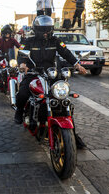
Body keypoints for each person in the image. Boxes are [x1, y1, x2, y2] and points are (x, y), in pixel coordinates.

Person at [14, 15, 87, 148]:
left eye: (48, 30)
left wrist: (77, 64)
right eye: (43, 30)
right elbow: (21, 54)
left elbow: (66, 52)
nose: (46, 33)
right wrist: (23, 64)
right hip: (33, 72)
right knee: (23, 93)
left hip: (52, 74)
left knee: (64, 100)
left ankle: (72, 136)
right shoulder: (29, 41)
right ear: (37, 30)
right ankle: (19, 110)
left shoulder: (56, 41)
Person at [0, 25, 20, 98]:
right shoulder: (0, 40)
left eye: (8, 33)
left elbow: (19, 46)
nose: (7, 35)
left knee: (17, 72)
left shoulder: (13, 40)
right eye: (6, 33)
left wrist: (24, 47)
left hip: (10, 59)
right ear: (3, 34)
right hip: (1, 59)